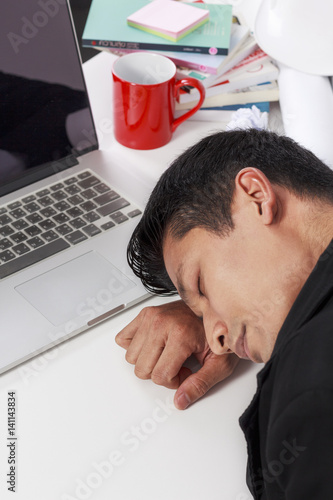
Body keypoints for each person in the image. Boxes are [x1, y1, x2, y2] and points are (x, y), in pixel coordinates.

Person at [115, 129, 333, 499]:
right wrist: (210, 305)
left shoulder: (314, 402)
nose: (219, 340)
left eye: (199, 283)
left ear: (255, 195)